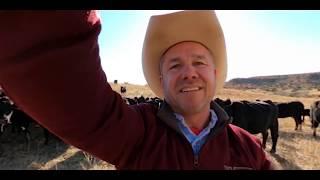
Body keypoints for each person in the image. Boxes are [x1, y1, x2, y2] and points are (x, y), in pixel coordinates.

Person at [0, 10, 276, 170]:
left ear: (215, 74)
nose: (189, 71)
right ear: (161, 81)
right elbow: (53, 71)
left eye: (199, 62)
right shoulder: (137, 133)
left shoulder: (248, 147)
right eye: (175, 65)